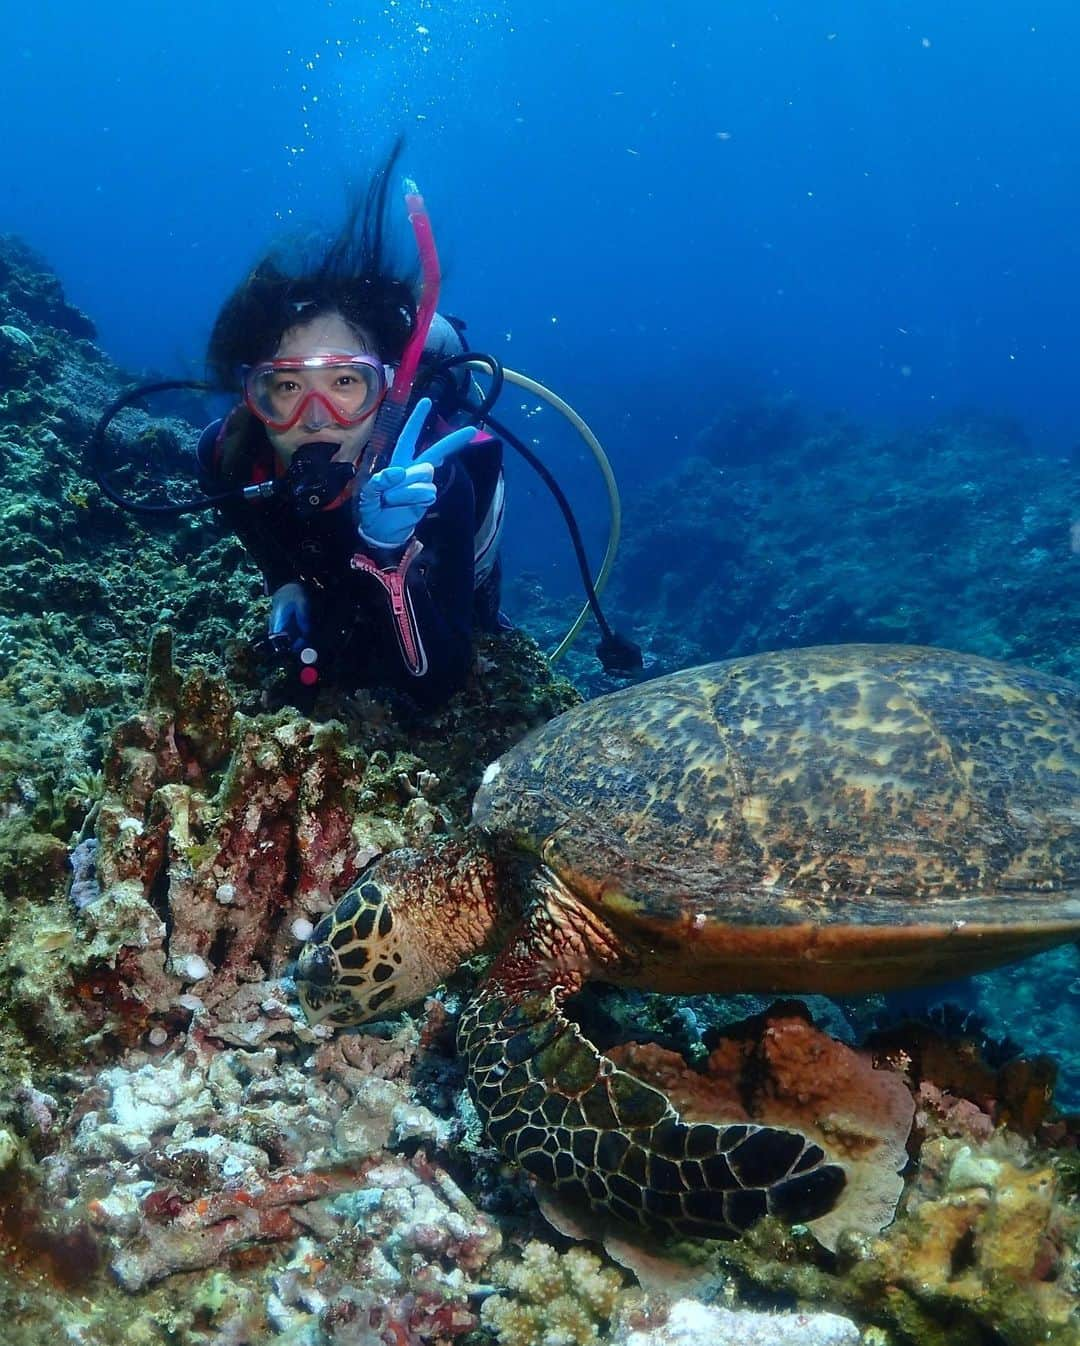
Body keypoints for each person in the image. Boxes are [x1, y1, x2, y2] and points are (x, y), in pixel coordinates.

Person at [196, 148, 505, 710]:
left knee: (471, 619)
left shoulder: (437, 482)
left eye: (346, 384)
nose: (315, 418)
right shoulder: (226, 458)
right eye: (286, 387)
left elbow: (436, 685)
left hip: (445, 555)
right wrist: (284, 583)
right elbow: (267, 544)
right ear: (253, 395)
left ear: (386, 390)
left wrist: (391, 553)